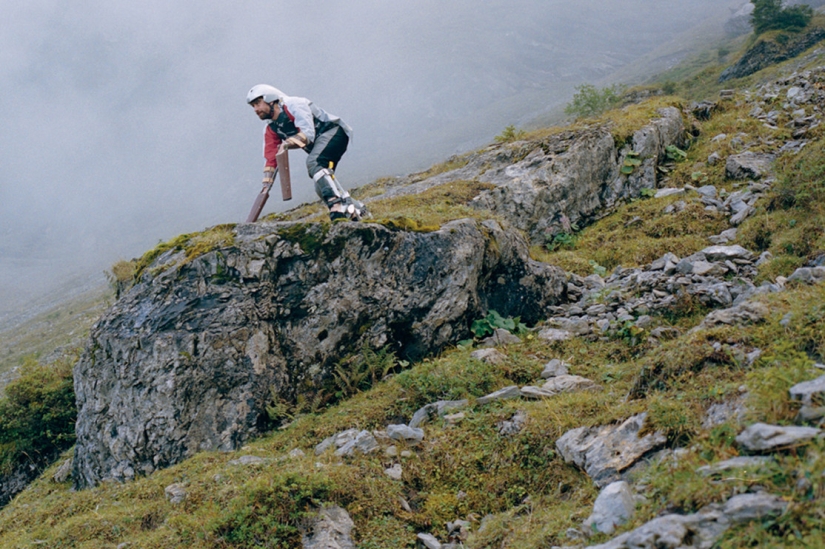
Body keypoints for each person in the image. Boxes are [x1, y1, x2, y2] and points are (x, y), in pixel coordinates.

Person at [246, 84, 367, 221]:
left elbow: (308, 134)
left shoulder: (294, 104)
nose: (256, 109)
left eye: (257, 103)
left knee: (314, 163)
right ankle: (358, 210)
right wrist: (266, 185)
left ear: (270, 99)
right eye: (253, 106)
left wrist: (286, 143)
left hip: (333, 133)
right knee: (320, 187)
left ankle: (337, 206)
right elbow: (271, 158)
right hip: (319, 147)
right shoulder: (270, 128)